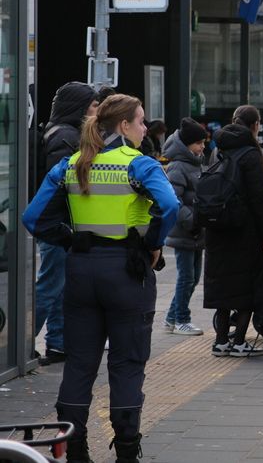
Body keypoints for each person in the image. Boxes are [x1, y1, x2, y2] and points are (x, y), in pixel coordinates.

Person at [22, 93, 179, 463]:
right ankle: (126, 452)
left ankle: (75, 451)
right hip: (127, 271)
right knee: (126, 363)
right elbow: (170, 206)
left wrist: (72, 239)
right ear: (124, 126)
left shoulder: (72, 163)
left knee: (79, 364)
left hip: (81, 270)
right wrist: (153, 244)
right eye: (141, 121)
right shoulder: (139, 165)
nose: (144, 128)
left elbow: (33, 218)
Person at [34, 81, 98, 366]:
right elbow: (60, 185)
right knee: (49, 286)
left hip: (61, 224)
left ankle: (57, 344)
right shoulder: (65, 137)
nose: (97, 112)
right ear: (80, 108)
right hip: (58, 224)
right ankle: (18, 344)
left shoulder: (63, 133)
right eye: (94, 106)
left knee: (59, 286)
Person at [203, 105, 263, 358]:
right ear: (255, 125)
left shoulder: (217, 150)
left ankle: (221, 342)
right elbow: (258, 200)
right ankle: (240, 342)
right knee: (246, 286)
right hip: (244, 231)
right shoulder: (250, 154)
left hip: (217, 227)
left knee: (222, 286)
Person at [162, 118, 209, 336]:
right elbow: (174, 199)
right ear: (187, 144)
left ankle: (172, 318)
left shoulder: (194, 163)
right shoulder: (178, 166)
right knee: (186, 277)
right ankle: (182, 319)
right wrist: (191, 220)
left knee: (194, 277)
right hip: (184, 231)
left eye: (203, 143)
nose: (202, 147)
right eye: (198, 143)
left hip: (196, 231)